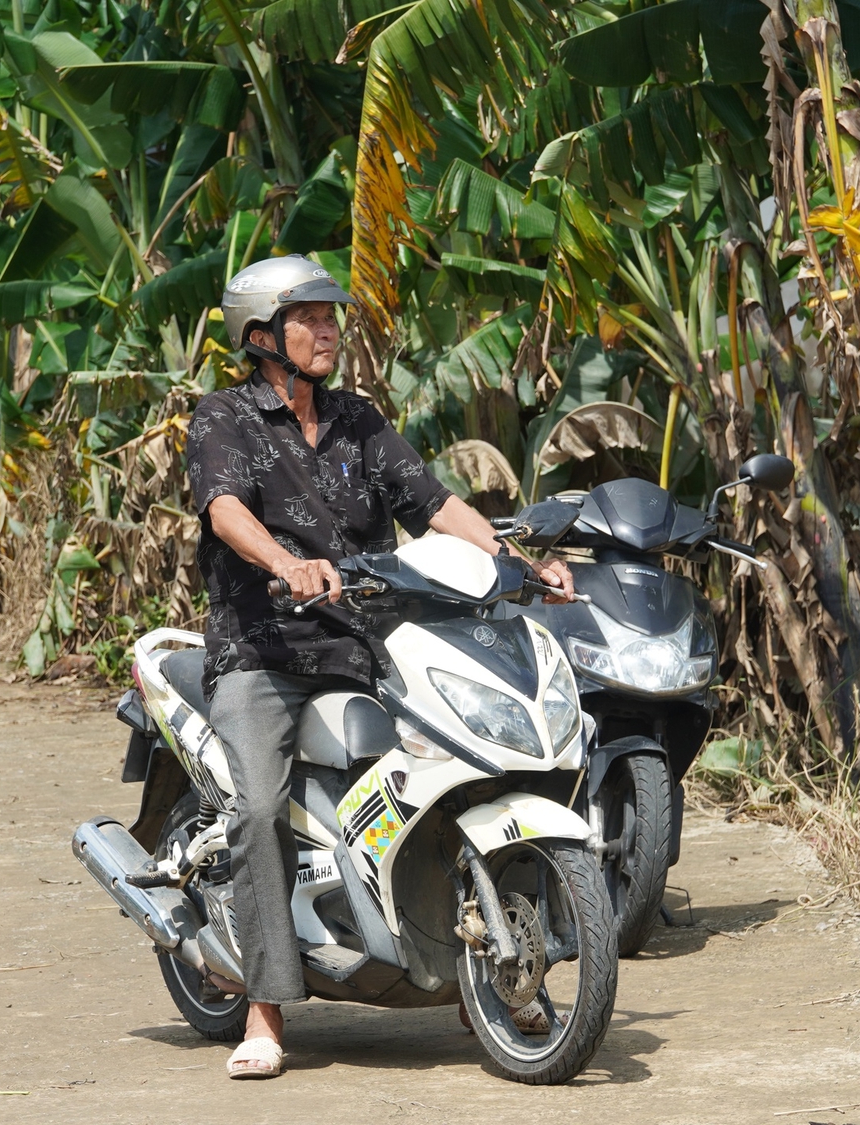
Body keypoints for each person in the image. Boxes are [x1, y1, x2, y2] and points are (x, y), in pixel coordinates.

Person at [184, 255, 576, 1080]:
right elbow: (223, 510)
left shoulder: (359, 420)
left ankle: (482, 965)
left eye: (333, 316)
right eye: (310, 318)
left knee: (458, 769)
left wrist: (519, 561)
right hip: (265, 651)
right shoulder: (225, 417)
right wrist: (285, 562)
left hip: (365, 647)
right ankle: (264, 1007)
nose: (329, 330)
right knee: (259, 805)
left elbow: (433, 503)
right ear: (262, 335)